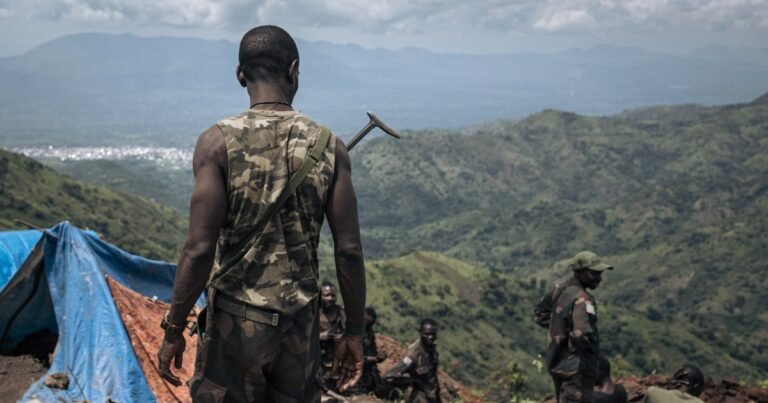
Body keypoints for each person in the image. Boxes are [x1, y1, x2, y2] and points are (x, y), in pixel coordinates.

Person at [156, 25, 366, 403]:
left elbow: (199, 249)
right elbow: (348, 250)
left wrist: (174, 327)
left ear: (240, 75)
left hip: (235, 325)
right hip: (301, 326)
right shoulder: (329, 145)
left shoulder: (216, 142)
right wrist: (353, 333)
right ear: (294, 70)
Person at [533, 251, 614, 403]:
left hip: (558, 364)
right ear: (580, 272)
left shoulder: (560, 290)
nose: (599, 278)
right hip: (577, 370)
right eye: (594, 273)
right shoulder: (583, 299)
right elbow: (581, 334)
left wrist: (560, 331)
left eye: (600, 273)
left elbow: (539, 313)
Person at [384, 318, 441, 403]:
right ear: (420, 332)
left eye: (433, 334)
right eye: (427, 334)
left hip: (432, 397)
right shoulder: (414, 355)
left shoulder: (432, 352)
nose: (430, 337)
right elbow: (388, 376)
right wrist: (413, 381)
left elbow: (433, 377)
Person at [319, 282, 346, 388]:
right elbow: (300, 337)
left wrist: (342, 337)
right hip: (317, 360)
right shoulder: (312, 312)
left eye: (333, 295)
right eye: (326, 295)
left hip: (337, 359)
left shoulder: (341, 312)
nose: (330, 298)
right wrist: (320, 337)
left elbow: (350, 332)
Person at [358, 306, 385, 394]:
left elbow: (372, 350)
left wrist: (379, 357)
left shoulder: (369, 332)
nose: (369, 327)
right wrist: (374, 359)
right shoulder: (352, 333)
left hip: (368, 369)